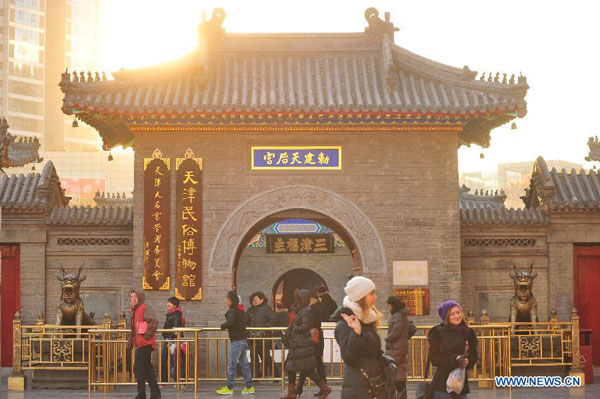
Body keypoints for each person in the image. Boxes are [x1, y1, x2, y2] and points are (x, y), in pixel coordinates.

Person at [332, 276, 385, 399]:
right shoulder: (344, 324)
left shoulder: (368, 319)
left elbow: (375, 351)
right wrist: (356, 333)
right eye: (372, 293)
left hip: (374, 384)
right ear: (361, 296)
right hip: (357, 387)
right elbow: (350, 358)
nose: (375, 297)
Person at [281, 289, 331, 399]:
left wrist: (294, 328)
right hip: (299, 344)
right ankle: (293, 392)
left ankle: (293, 393)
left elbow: (305, 326)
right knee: (300, 369)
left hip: (301, 345)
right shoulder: (304, 310)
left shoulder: (305, 311)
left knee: (297, 368)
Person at [428, 300, 478, 399]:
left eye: (458, 312)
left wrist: (468, 361)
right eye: (452, 314)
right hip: (442, 383)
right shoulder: (438, 332)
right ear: (446, 317)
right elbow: (434, 358)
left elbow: (474, 355)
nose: (457, 316)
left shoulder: (468, 332)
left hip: (461, 384)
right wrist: (454, 359)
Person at [217, 291, 255, 395]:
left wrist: (222, 326)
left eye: (227, 299)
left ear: (230, 300)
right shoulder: (241, 311)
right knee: (244, 365)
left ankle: (229, 387)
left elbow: (230, 323)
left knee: (232, 364)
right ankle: (249, 387)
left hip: (236, 341)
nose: (227, 301)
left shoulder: (232, 311)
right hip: (243, 340)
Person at [126, 289, 161, 399]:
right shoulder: (134, 311)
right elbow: (133, 330)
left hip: (146, 343)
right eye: (131, 297)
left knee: (138, 368)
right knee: (147, 369)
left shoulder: (145, 307)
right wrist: (130, 343)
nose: (133, 299)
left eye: (135, 297)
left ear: (140, 298)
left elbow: (154, 322)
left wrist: (146, 336)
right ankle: (155, 394)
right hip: (140, 344)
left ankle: (141, 394)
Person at [296, 289, 327, 397]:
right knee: (314, 364)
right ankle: (299, 388)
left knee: (312, 364)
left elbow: (311, 324)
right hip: (316, 338)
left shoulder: (313, 308)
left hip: (314, 339)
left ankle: (324, 388)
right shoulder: (314, 307)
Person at [247, 291, 279, 378]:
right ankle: (255, 376)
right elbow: (246, 323)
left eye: (256, 300)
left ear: (262, 300)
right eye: (252, 300)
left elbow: (274, 320)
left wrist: (265, 328)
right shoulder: (250, 310)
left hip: (264, 338)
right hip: (252, 338)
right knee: (253, 358)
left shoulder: (266, 309)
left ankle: (276, 375)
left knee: (266, 357)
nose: (254, 301)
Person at [384, 296, 409, 399]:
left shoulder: (398, 315)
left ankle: (400, 394)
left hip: (396, 348)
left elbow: (396, 330)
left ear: (391, 305)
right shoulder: (402, 314)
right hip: (400, 347)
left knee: (393, 371)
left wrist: (388, 338)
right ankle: (402, 393)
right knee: (399, 371)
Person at [160, 297, 184, 383]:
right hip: (169, 340)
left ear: (175, 305)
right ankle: (166, 381)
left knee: (171, 361)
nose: (167, 304)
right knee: (170, 361)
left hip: (171, 341)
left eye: (169, 303)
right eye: (167, 302)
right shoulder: (171, 314)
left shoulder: (176, 315)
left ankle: (177, 381)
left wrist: (170, 340)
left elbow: (176, 330)